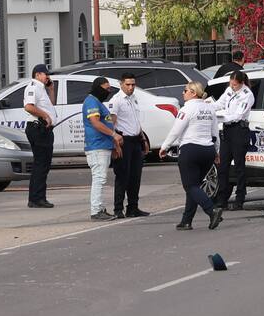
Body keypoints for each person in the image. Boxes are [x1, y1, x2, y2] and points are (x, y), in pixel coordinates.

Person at [160, 82, 223, 231]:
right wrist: (216, 151)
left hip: (190, 150)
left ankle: (211, 210)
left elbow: (176, 130)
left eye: (185, 90)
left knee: (190, 185)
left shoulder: (187, 108)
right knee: (194, 185)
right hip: (208, 151)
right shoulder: (209, 108)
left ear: (193, 93)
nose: (183, 93)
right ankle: (186, 220)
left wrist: (165, 147)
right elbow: (215, 133)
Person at [108, 72, 150, 219]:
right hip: (123, 141)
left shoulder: (134, 99)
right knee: (122, 176)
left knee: (135, 176)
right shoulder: (116, 100)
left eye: (133, 84)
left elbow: (136, 122)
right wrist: (115, 144)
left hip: (135, 140)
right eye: (128, 84)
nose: (131, 87)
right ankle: (118, 209)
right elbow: (111, 124)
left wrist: (143, 139)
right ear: (121, 84)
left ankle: (133, 207)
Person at [214, 71, 254, 211]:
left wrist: (221, 118)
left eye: (235, 85)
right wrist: (209, 108)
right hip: (227, 131)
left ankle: (240, 198)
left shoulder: (247, 95)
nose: (232, 87)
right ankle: (222, 199)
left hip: (239, 130)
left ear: (241, 83)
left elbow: (238, 116)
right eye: (231, 84)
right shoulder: (229, 90)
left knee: (239, 167)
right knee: (223, 166)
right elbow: (220, 103)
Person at [83, 77, 121, 221]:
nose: (108, 91)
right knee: (99, 178)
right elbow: (95, 123)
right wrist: (114, 135)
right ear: (98, 87)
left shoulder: (98, 102)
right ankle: (96, 210)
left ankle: (100, 208)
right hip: (96, 146)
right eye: (106, 88)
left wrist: (114, 143)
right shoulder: (92, 102)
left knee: (101, 178)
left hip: (103, 145)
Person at [23, 64, 58, 209]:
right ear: (37, 74)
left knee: (43, 165)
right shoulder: (33, 87)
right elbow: (29, 107)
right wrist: (45, 116)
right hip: (38, 128)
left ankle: (37, 197)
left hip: (44, 129)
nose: (48, 77)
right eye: (46, 74)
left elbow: (51, 104)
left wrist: (51, 89)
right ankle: (37, 199)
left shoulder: (42, 88)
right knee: (41, 164)